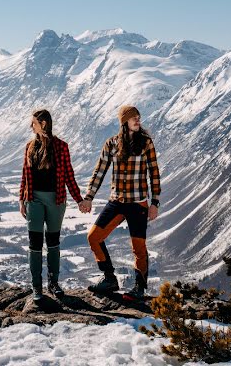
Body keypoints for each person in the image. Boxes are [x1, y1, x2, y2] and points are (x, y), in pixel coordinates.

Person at [81, 105, 161, 299]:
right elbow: (99, 171)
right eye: (134, 118)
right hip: (116, 202)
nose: (138, 120)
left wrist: (154, 202)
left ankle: (139, 288)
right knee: (94, 237)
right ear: (124, 122)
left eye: (138, 117)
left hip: (138, 203)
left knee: (139, 248)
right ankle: (109, 278)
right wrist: (89, 197)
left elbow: (154, 173)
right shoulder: (112, 144)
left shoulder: (146, 143)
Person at [19, 108, 90, 301]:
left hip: (56, 201)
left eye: (33, 122)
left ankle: (53, 283)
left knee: (53, 243)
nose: (30, 126)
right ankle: (36, 288)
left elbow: (69, 176)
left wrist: (79, 200)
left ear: (43, 124)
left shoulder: (61, 147)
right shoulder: (29, 147)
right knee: (34, 244)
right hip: (33, 200)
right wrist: (21, 199)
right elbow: (25, 175)